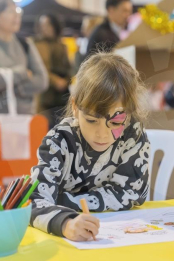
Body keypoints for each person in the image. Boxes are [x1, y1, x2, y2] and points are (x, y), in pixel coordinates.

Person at [29, 52, 150, 241]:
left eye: (116, 123)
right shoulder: (59, 142)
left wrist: (62, 200)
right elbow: (33, 200)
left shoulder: (133, 135)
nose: (102, 134)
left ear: (129, 113)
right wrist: (66, 223)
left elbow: (132, 193)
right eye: (92, 120)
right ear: (75, 107)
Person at [0, 0, 48, 115]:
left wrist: (6, 87)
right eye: (11, 11)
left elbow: (42, 81)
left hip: (23, 118)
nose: (17, 15)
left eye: (18, 10)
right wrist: (24, 73)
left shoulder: (25, 44)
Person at [33, 14, 71, 128]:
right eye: (42, 25)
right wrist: (56, 81)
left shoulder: (62, 46)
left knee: (62, 129)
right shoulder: (36, 45)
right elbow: (39, 68)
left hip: (61, 96)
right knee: (45, 130)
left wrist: (66, 80)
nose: (45, 28)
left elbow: (69, 68)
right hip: (44, 96)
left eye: (48, 24)